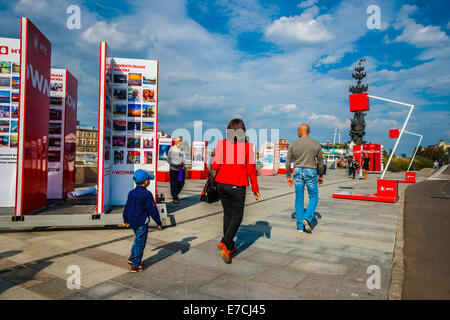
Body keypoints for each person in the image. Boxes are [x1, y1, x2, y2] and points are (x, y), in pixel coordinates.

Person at [212, 119, 260, 264]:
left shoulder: (221, 144)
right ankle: (224, 242)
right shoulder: (247, 147)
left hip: (221, 184)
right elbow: (251, 170)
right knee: (237, 217)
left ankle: (231, 246)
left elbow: (215, 165)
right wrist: (255, 189)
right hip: (237, 186)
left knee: (227, 215)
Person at [286, 124, 323, 234]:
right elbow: (320, 163)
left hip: (297, 172)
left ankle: (300, 227)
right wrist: (320, 175)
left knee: (299, 198)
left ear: (299, 131)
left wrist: (288, 176)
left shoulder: (293, 144)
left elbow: (288, 162)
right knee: (314, 196)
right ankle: (307, 217)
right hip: (311, 172)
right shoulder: (316, 144)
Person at [123, 169, 163, 272]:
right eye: (149, 180)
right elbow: (153, 209)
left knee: (137, 238)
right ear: (145, 181)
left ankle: (132, 257)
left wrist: (125, 219)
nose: (149, 181)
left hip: (132, 222)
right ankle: (136, 265)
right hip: (142, 223)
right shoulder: (147, 194)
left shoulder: (131, 193)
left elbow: (127, 207)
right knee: (140, 244)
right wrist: (158, 222)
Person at [167, 137, 185, 204]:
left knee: (181, 183)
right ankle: (175, 197)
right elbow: (168, 160)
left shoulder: (182, 149)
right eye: (178, 141)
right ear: (175, 142)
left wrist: (183, 162)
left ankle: (175, 194)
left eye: (180, 141)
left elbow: (183, 157)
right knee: (174, 184)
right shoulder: (172, 149)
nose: (179, 142)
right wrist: (175, 164)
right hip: (173, 169)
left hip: (180, 169)